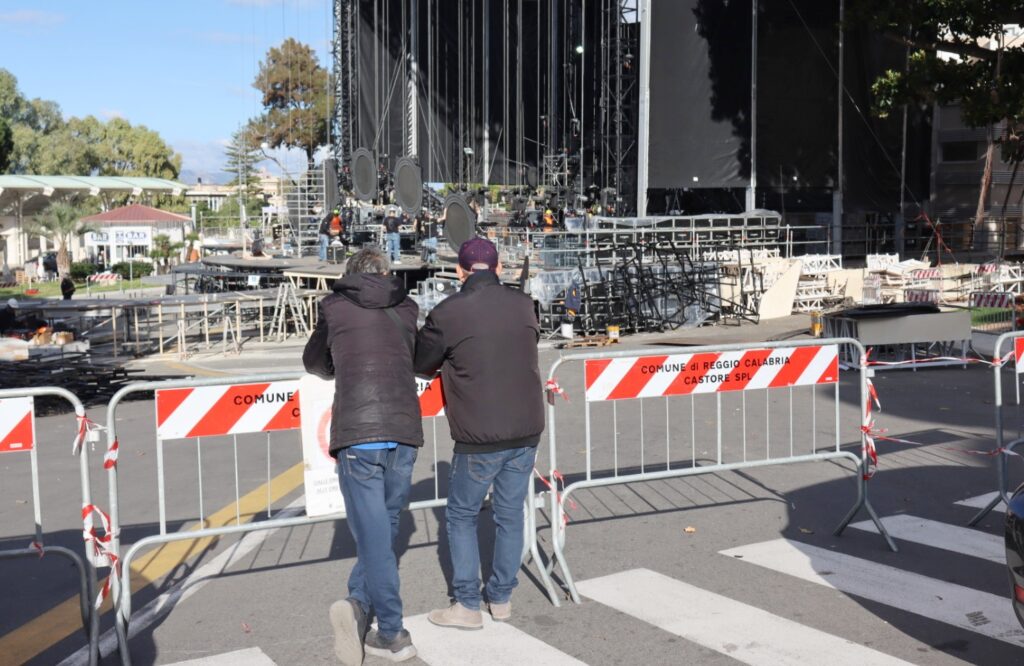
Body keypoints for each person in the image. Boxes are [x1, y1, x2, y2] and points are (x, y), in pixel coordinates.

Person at [415, 238, 545, 630]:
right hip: (525, 428)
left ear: (460, 270)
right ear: (499, 267)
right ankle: (501, 598)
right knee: (509, 514)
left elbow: (423, 364)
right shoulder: (523, 304)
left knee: (461, 515)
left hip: (479, 433)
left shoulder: (448, 312)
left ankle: (468, 604)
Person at [303, 247, 422, 664]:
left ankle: (392, 631)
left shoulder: (333, 307)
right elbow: (417, 357)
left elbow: (315, 363)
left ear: (350, 274)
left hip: (359, 434)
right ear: (387, 273)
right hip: (404, 430)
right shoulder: (408, 306)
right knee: (384, 529)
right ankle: (356, 605)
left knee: (374, 535)